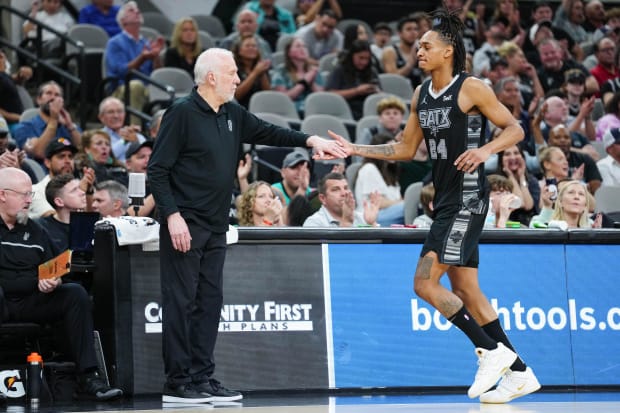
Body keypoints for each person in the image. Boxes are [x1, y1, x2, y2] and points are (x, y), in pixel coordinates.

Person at [329, 8, 540, 403]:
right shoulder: (420, 94)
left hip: (468, 197)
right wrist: (353, 148)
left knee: (424, 283)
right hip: (445, 199)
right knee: (466, 289)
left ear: (448, 52)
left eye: (427, 46)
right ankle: (520, 373)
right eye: (419, 45)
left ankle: (489, 351)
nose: (419, 50)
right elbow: (406, 149)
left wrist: (484, 152)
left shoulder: (472, 87)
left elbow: (515, 128)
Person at [147, 47, 346, 403]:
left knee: (210, 301)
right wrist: (172, 216)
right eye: (232, 73)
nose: (238, 79)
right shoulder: (180, 113)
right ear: (211, 77)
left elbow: (268, 131)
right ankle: (177, 382)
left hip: (216, 222)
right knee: (181, 301)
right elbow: (157, 170)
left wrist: (310, 139)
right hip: (185, 222)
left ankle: (202, 377)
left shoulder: (231, 113)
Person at [0, 167, 122, 400]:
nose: (29, 200)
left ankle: (89, 377)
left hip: (30, 301)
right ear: (2, 195)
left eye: (30, 195)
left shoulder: (37, 230)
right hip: (3, 299)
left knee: (74, 293)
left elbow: (56, 267)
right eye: (23, 194)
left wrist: (54, 280)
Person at [104, 1, 165, 119]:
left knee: (165, 87)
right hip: (122, 87)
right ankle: (134, 132)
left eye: (137, 10)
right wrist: (142, 58)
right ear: (123, 20)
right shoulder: (115, 42)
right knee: (136, 86)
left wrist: (156, 56)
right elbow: (122, 72)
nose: (137, 12)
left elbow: (156, 73)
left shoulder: (145, 42)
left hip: (146, 86)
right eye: (131, 10)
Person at [12, 81, 82, 164]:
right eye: (49, 93)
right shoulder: (25, 127)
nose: (53, 98)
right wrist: (54, 120)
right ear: (39, 99)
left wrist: (70, 125)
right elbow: (39, 152)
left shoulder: (69, 127)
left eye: (57, 95)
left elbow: (83, 150)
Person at [29, 138, 95, 219]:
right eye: (61, 156)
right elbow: (55, 220)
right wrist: (81, 190)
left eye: (70, 157)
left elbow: (91, 220)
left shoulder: (82, 186)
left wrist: (88, 192)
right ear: (48, 163)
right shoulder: (35, 191)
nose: (68, 161)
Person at [354, 133, 404, 226]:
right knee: (406, 208)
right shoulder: (369, 169)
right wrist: (402, 203)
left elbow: (398, 198)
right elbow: (378, 202)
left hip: (389, 213)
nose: (393, 152)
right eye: (389, 148)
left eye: (395, 148)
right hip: (370, 216)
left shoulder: (390, 172)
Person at [326, 39, 380, 120]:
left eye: (367, 59)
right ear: (352, 55)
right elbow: (330, 94)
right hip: (346, 109)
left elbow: (382, 94)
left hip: (370, 111)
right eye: (361, 58)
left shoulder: (372, 71)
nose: (364, 62)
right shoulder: (340, 70)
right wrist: (357, 91)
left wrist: (376, 91)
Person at [271, 36, 324, 116]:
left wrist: (312, 81)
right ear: (289, 52)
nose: (303, 49)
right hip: (291, 113)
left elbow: (321, 98)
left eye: (304, 46)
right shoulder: (281, 71)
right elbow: (283, 99)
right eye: (298, 46)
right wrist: (304, 81)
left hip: (314, 112)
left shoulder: (314, 71)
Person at [303, 171, 379, 227]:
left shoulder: (362, 218)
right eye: (336, 189)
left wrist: (372, 224)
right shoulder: (313, 223)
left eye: (345, 188)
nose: (344, 193)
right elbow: (340, 248)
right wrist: (346, 222)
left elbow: (377, 247)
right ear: (323, 198)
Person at [37, 173, 87, 252]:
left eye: (80, 188)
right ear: (59, 202)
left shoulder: (90, 223)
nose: (82, 193)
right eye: (74, 190)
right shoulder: (42, 228)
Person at [530, 179, 600, 228]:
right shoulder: (543, 221)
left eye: (581, 194)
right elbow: (533, 228)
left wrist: (597, 233)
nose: (576, 197)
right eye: (571, 192)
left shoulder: (590, 225)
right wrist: (547, 206)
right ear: (560, 202)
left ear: (585, 205)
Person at [98, 97, 148, 161]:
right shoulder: (97, 137)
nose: (116, 116)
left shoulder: (136, 136)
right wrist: (124, 141)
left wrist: (136, 143)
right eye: (110, 112)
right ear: (101, 117)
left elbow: (148, 157)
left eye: (119, 111)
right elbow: (107, 159)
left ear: (124, 114)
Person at [382, 16, 423, 88]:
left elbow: (429, 75)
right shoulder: (390, 51)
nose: (413, 32)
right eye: (408, 29)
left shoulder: (421, 50)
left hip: (419, 91)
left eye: (415, 29)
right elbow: (392, 79)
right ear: (400, 33)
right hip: (398, 93)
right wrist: (410, 64)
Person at [232, 35, 271, 109]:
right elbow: (236, 96)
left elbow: (268, 94)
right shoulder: (233, 69)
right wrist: (255, 73)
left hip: (262, 107)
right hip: (241, 108)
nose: (251, 48)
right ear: (239, 51)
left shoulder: (260, 68)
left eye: (254, 46)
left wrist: (262, 73)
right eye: (247, 46)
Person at [0, 48, 32, 134]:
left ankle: (66, 145)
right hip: (11, 125)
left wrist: (20, 75)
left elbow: (13, 81)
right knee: (31, 138)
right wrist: (18, 117)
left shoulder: (4, 76)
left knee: (61, 138)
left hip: (21, 122)